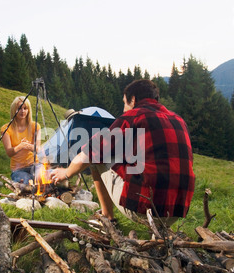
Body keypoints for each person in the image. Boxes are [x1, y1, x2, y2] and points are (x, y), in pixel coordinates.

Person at [50, 79, 195, 228]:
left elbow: (88, 154)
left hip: (145, 209)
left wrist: (66, 173)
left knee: (96, 153)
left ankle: (107, 219)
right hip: (176, 210)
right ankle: (159, 234)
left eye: (125, 103)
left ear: (133, 100)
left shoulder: (133, 116)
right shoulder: (178, 120)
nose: (124, 109)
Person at [1, 96, 41, 184]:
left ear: (28, 110)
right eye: (19, 108)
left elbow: (37, 149)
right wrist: (20, 146)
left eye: (25, 108)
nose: (22, 111)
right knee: (26, 182)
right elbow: (9, 152)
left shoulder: (35, 126)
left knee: (46, 179)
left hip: (35, 165)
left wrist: (27, 146)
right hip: (18, 169)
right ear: (13, 110)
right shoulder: (6, 129)